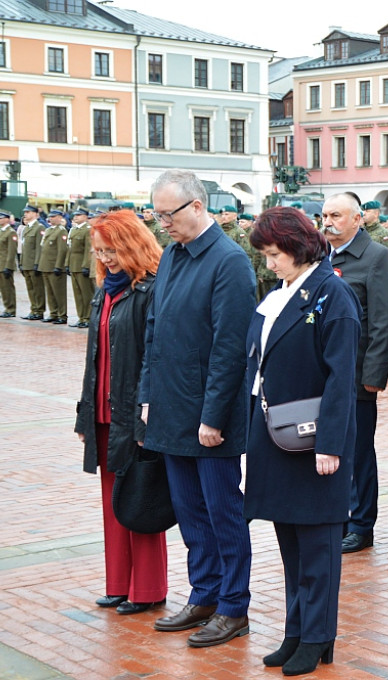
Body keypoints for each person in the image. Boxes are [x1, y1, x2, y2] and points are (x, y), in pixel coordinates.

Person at [139, 169, 257, 647]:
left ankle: (234, 606)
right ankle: (203, 593)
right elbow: (155, 332)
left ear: (196, 207)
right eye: (157, 214)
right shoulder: (173, 254)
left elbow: (231, 350)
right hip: (170, 408)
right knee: (189, 513)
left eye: (167, 214)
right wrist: (147, 395)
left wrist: (212, 416)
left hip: (212, 418)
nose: (161, 223)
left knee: (222, 514)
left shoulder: (229, 261)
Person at [242, 207, 361, 675]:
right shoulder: (281, 292)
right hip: (276, 434)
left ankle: (318, 637)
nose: (269, 263)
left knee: (318, 548)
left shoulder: (333, 294)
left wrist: (330, 444)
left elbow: (341, 379)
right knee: (290, 544)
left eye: (274, 254)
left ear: (297, 245)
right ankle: (296, 631)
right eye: (266, 255)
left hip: (313, 439)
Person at [74, 210, 168, 614]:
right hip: (102, 413)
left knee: (140, 498)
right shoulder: (103, 291)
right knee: (112, 501)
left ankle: (147, 589)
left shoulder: (149, 291)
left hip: (134, 413)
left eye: (111, 250)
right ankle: (118, 584)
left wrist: (149, 413)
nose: (106, 258)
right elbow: (93, 357)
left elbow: (156, 357)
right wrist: (84, 415)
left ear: (131, 246)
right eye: (99, 251)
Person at [317, 194, 388, 554]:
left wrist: (374, 374)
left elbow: (385, 321)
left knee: (358, 451)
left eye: (335, 215)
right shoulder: (322, 256)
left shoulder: (376, 257)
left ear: (357, 219)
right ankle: (337, 516)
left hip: (356, 374)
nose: (327, 221)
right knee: (328, 447)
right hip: (324, 372)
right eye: (324, 215)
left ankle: (361, 523)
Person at [38, 209, 69, 324]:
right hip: (46, 265)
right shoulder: (48, 230)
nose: (50, 218)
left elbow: (62, 250)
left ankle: (62, 315)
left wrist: (59, 266)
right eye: (50, 217)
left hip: (55, 266)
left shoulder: (61, 231)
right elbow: (44, 248)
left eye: (53, 216)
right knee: (50, 292)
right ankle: (53, 313)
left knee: (59, 292)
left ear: (60, 218)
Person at [68, 209, 96, 328]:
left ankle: (88, 317)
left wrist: (86, 266)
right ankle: (81, 317)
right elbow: (70, 250)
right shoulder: (74, 229)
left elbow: (87, 250)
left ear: (86, 217)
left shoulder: (87, 230)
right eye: (75, 215)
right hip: (74, 265)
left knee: (86, 293)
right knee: (77, 294)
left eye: (79, 215)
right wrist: (67, 264)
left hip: (81, 265)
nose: (76, 217)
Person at [19, 205, 45, 320]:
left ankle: (39, 311)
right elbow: (24, 248)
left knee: (37, 288)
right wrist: (21, 262)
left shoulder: (39, 228)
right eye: (25, 212)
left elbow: (40, 248)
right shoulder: (26, 228)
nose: (26, 214)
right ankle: (33, 309)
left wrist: (37, 263)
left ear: (35, 214)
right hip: (26, 263)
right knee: (30, 289)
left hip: (33, 263)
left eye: (28, 212)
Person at [0, 211, 17, 317]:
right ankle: (7, 308)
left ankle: (11, 309)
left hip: (5, 265)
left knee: (8, 288)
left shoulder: (10, 232)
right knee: (3, 288)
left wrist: (8, 266)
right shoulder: (0, 232)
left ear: (7, 219)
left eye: (1, 218)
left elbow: (11, 251)